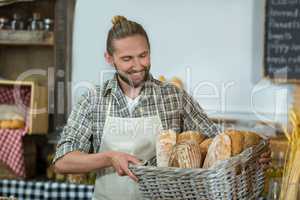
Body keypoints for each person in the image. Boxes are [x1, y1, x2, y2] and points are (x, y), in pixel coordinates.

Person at [53, 15, 270, 200]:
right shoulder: (93, 100)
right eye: (127, 59)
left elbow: (221, 143)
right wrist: (109, 158)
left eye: (143, 55)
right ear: (109, 59)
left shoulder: (173, 97)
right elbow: (63, 161)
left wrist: (250, 156)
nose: (138, 65)